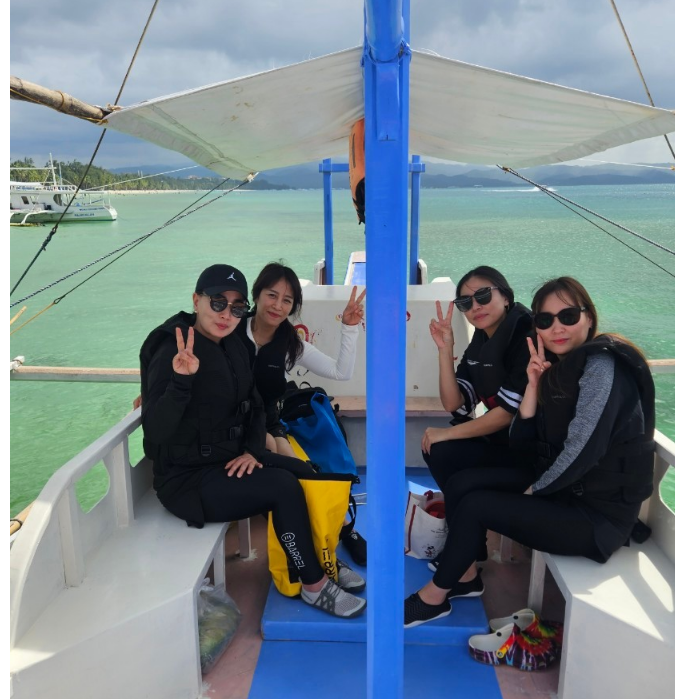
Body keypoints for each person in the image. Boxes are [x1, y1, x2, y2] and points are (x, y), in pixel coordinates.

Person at [404, 277, 655, 627]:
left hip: (596, 518)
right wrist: (534, 387)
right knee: (461, 486)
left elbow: (582, 450)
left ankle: (433, 597)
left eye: (568, 316)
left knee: (476, 505)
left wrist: (533, 493)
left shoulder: (601, 368)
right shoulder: (554, 366)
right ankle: (463, 576)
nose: (557, 328)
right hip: (564, 492)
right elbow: (522, 442)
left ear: (589, 318)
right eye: (545, 320)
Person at [139, 263, 366, 619]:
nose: (226, 314)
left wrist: (252, 449)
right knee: (283, 488)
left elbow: (254, 403)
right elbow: (155, 431)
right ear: (197, 300)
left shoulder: (231, 344)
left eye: (235, 307)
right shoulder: (175, 349)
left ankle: (323, 559)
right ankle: (313, 585)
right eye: (217, 303)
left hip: (226, 458)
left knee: (305, 473)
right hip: (186, 481)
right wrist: (180, 382)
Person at [239, 261, 368, 566]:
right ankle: (317, 555)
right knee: (287, 479)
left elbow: (340, 371)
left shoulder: (290, 346)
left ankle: (337, 534)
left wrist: (349, 327)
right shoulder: (231, 330)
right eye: (272, 295)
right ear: (256, 295)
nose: (278, 306)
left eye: (287, 300)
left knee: (307, 475)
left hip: (269, 425)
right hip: (234, 427)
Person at [421, 265, 534, 573]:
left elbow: (506, 414)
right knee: (436, 449)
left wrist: (446, 433)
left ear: (506, 297)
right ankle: (471, 545)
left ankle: (463, 555)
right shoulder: (481, 342)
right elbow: (455, 404)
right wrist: (445, 350)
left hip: (531, 457)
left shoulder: (526, 338)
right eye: (465, 302)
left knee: (460, 481)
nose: (475, 306)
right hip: (503, 447)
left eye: (483, 296)